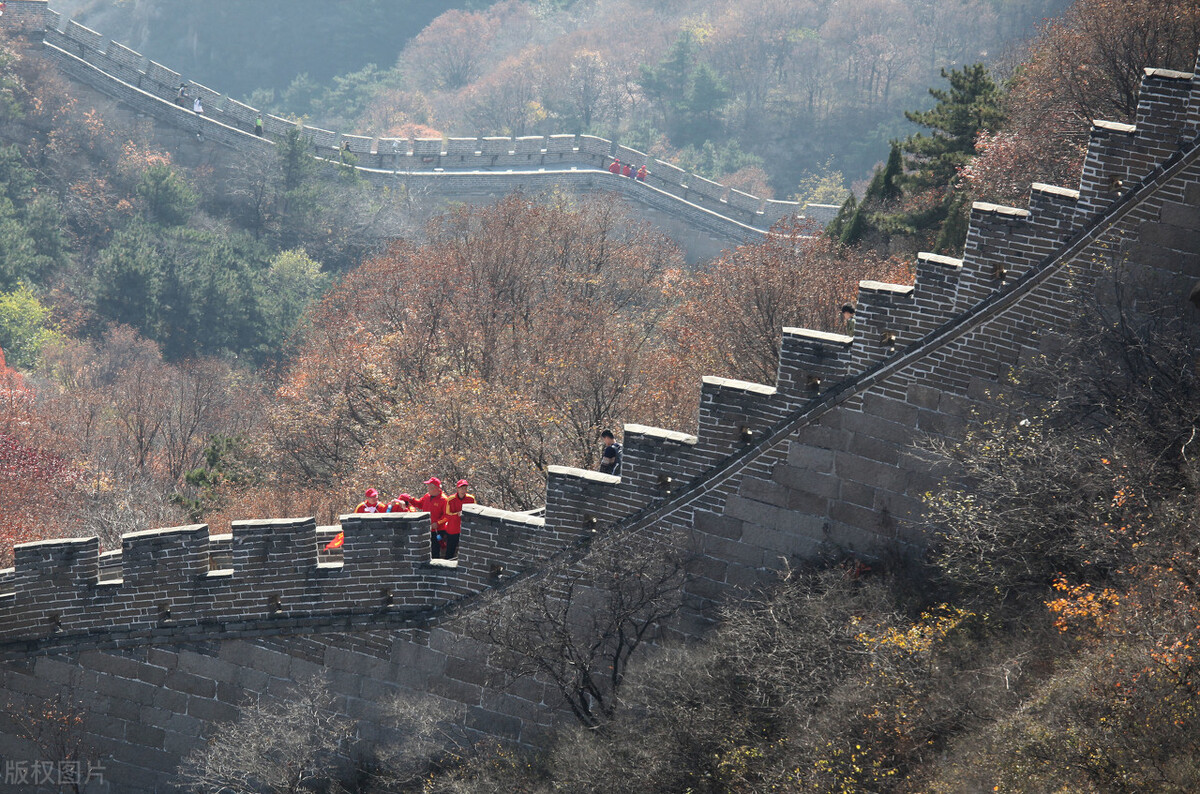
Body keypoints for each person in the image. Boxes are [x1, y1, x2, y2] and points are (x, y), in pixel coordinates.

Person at [403, 477, 451, 559]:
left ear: (435, 488)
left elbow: (447, 516)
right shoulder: (427, 496)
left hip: (438, 530)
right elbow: (420, 504)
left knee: (435, 549)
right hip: (426, 527)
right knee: (426, 548)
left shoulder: (444, 500)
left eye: (429, 486)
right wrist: (412, 500)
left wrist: (438, 523)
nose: (427, 488)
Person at [444, 479, 476, 560]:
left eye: (465, 488)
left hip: (466, 529)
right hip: (453, 528)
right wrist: (457, 514)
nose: (463, 490)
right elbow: (447, 514)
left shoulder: (471, 499)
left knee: (466, 551)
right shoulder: (451, 499)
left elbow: (475, 512)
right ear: (457, 489)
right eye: (461, 488)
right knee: (450, 551)